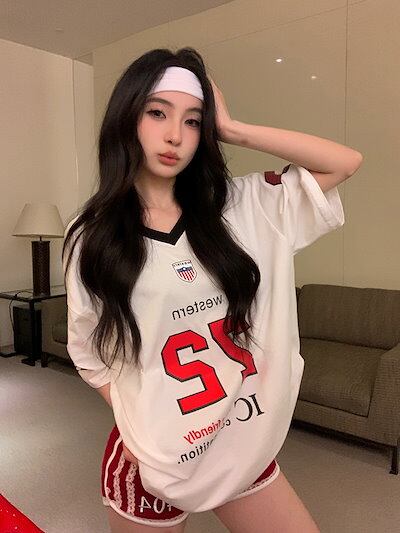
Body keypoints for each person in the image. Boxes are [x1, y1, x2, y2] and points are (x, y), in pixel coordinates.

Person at [63, 47, 362, 532]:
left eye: (193, 121)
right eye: (157, 113)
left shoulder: (243, 205)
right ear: (127, 117)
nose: (175, 136)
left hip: (240, 440)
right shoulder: (91, 235)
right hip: (154, 455)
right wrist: (140, 422)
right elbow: (88, 350)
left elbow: (345, 162)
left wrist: (235, 129)